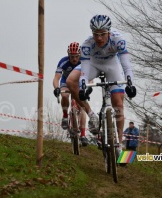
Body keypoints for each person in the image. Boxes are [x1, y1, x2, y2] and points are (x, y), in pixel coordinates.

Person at [67, 15, 137, 157]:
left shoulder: (118, 40)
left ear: (109, 32)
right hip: (93, 64)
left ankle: (119, 144)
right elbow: (85, 70)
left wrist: (131, 84)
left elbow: (126, 65)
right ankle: (91, 115)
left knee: (118, 103)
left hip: (112, 66)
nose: (99, 38)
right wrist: (83, 88)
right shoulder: (87, 44)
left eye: (103, 34)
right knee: (70, 81)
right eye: (96, 34)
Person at [52, 42, 88, 146]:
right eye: (72, 57)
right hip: (66, 81)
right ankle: (65, 116)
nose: (74, 59)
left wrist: (87, 88)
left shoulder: (83, 61)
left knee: (82, 107)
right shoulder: (63, 62)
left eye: (76, 56)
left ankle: (83, 135)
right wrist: (57, 88)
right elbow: (56, 78)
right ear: (68, 55)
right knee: (64, 95)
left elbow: (90, 75)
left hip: (79, 82)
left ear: (80, 55)